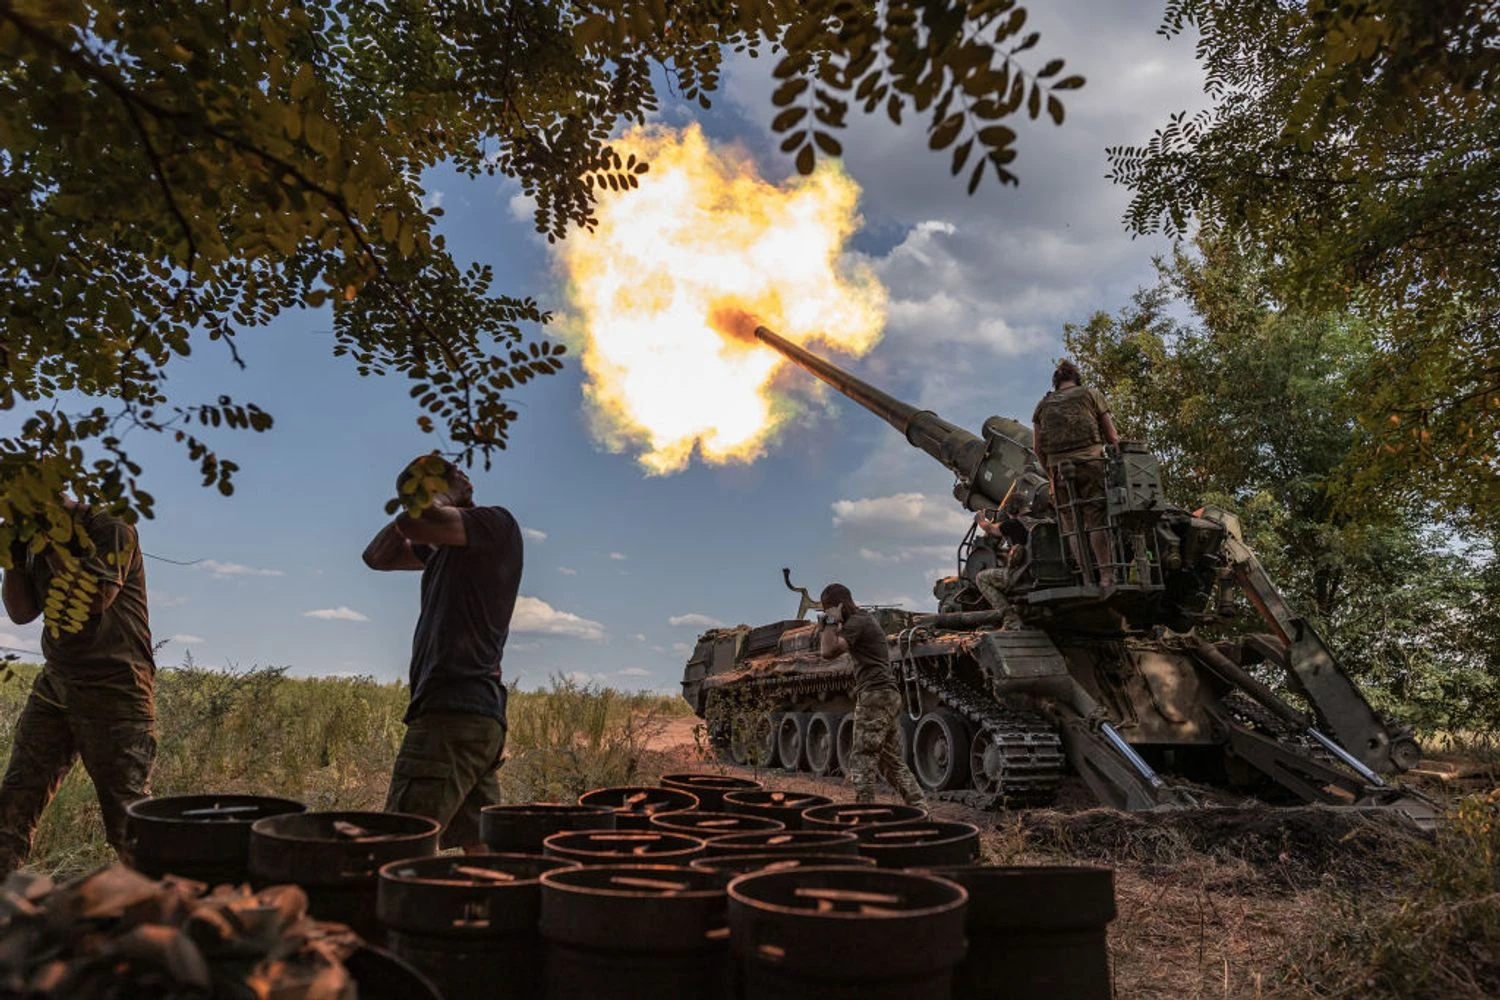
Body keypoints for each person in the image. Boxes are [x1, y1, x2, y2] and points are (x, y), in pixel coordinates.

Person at [362, 454, 522, 852]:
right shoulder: (442, 551)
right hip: (469, 716)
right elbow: (376, 558)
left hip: (453, 711)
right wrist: (419, 498)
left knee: (398, 843)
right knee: (481, 846)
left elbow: (414, 523)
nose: (465, 473)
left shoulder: (494, 523)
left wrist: (424, 502)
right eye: (453, 472)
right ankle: (496, 909)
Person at [0, 498, 157, 873]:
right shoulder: (27, 538)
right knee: (13, 807)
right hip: (58, 681)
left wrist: (46, 540)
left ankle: (163, 908)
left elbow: (92, 601)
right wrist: (12, 555)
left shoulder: (112, 526)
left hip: (116, 688)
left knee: (129, 820)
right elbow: (21, 614)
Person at [816, 583, 925, 807]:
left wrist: (829, 621)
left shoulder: (858, 623)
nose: (825, 614)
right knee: (890, 762)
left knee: (863, 757)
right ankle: (920, 809)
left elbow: (827, 652)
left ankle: (865, 814)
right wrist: (830, 622)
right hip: (885, 694)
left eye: (827, 609)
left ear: (837, 606)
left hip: (875, 694)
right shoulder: (860, 621)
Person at [1032, 359, 1121, 587]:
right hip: (1091, 464)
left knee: (1071, 525)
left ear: (1056, 383)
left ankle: (1085, 578)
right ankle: (1106, 576)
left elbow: (1037, 449)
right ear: (1077, 379)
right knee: (1096, 521)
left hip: (1059, 470)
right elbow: (1112, 436)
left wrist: (1051, 475)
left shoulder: (1042, 406)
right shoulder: (1091, 394)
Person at [973, 512, 1026, 628]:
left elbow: (990, 528)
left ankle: (1010, 619)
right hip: (1046, 570)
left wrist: (981, 520)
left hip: (1022, 574)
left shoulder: (1012, 524)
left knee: (981, 578)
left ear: (1009, 512)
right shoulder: (1045, 521)